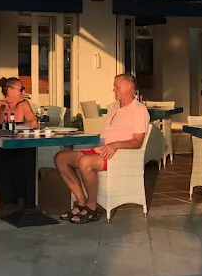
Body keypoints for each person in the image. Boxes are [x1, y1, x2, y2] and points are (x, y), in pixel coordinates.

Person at [54, 73, 149, 224]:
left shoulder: (139, 110)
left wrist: (115, 145)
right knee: (61, 158)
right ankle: (81, 202)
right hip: (103, 150)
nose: (113, 89)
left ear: (129, 87)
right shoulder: (113, 107)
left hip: (119, 155)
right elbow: (107, 134)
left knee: (85, 162)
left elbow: (137, 141)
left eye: (117, 86)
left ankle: (92, 207)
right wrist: (98, 145)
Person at [0, 77, 38, 219]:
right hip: (1, 146)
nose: (23, 92)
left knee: (28, 159)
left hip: (19, 145)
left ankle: (28, 204)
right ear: (10, 91)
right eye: (21, 89)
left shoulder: (23, 104)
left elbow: (34, 123)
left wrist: (17, 126)